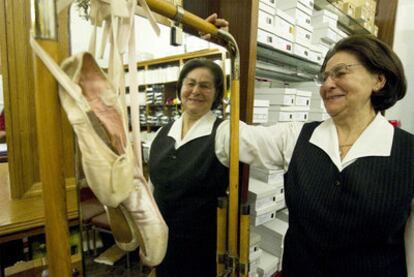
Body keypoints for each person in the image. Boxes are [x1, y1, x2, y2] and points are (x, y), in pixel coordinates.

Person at [214, 34, 414, 276]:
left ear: (379, 79)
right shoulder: (296, 136)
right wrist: (219, 51)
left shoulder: (408, 153)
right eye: (325, 77)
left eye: (340, 72)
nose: (327, 85)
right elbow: (231, 139)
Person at [148, 58, 229, 276]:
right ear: (180, 88)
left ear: (216, 93)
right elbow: (152, 188)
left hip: (201, 250)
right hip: (162, 242)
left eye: (205, 85)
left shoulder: (224, 134)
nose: (195, 91)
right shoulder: (162, 133)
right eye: (190, 83)